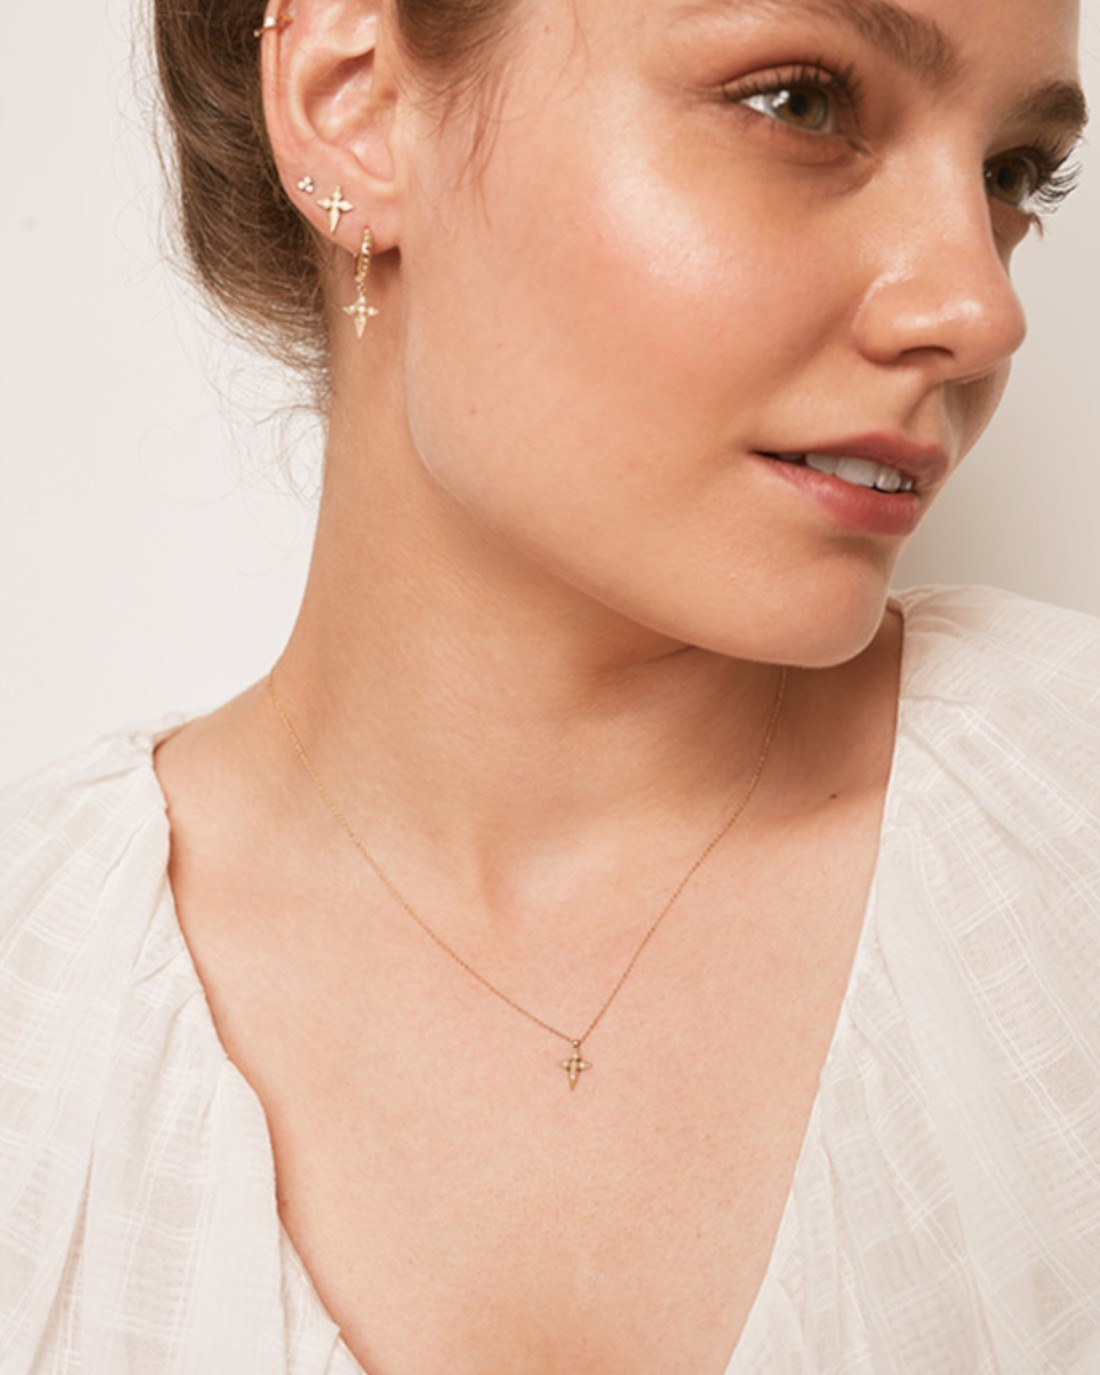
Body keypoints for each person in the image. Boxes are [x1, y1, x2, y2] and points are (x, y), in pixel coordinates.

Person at [2, 0, 1099, 1370]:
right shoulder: (34, 1016)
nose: (981, 312)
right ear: (355, 105)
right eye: (800, 103)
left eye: (1012, 174)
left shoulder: (1069, 842)